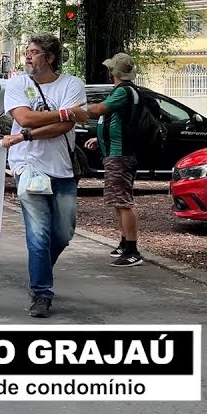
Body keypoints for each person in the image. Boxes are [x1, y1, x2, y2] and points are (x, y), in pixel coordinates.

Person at [0, 34, 87, 319]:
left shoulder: (72, 84)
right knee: (38, 234)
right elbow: (24, 118)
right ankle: (42, 293)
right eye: (27, 51)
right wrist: (65, 113)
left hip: (62, 168)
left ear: (50, 58)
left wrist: (26, 134)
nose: (27, 56)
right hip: (28, 167)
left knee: (63, 233)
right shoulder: (18, 84)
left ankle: (40, 271)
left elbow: (64, 128)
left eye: (34, 52)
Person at [77, 53, 144, 267]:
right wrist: (101, 138)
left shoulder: (124, 91)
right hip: (116, 153)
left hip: (120, 155)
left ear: (113, 72)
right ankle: (124, 243)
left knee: (123, 202)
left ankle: (132, 250)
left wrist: (77, 108)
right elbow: (117, 123)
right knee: (118, 200)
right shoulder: (126, 91)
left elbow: (100, 109)